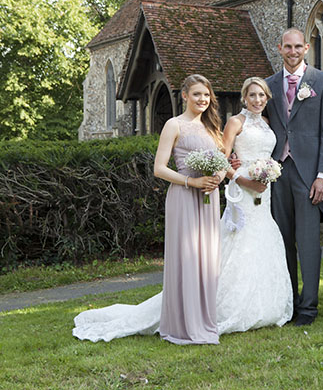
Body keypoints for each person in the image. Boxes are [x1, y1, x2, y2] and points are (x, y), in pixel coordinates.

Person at [72, 74, 225, 345]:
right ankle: (183, 324)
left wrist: (217, 178)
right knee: (188, 259)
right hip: (185, 197)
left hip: (209, 199)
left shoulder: (212, 126)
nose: (202, 99)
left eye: (206, 94)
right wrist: (192, 180)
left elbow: (222, 162)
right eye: (197, 94)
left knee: (207, 260)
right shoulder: (173, 125)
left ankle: (204, 320)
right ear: (185, 96)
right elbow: (159, 168)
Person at [263, 28, 323, 326]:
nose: (293, 52)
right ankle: (288, 302)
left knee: (308, 242)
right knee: (282, 240)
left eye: (298, 47)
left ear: (306, 48)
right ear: (279, 48)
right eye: (287, 47)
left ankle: (309, 307)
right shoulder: (268, 85)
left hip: (309, 174)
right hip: (277, 171)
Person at [218, 77, 293, 334]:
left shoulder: (268, 124)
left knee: (262, 237)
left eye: (262, 95)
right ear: (244, 98)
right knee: (240, 237)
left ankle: (264, 305)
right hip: (243, 190)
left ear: (267, 98)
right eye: (252, 95)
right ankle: (232, 305)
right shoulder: (235, 122)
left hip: (265, 190)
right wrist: (244, 179)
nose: (257, 100)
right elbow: (221, 159)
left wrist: (267, 174)